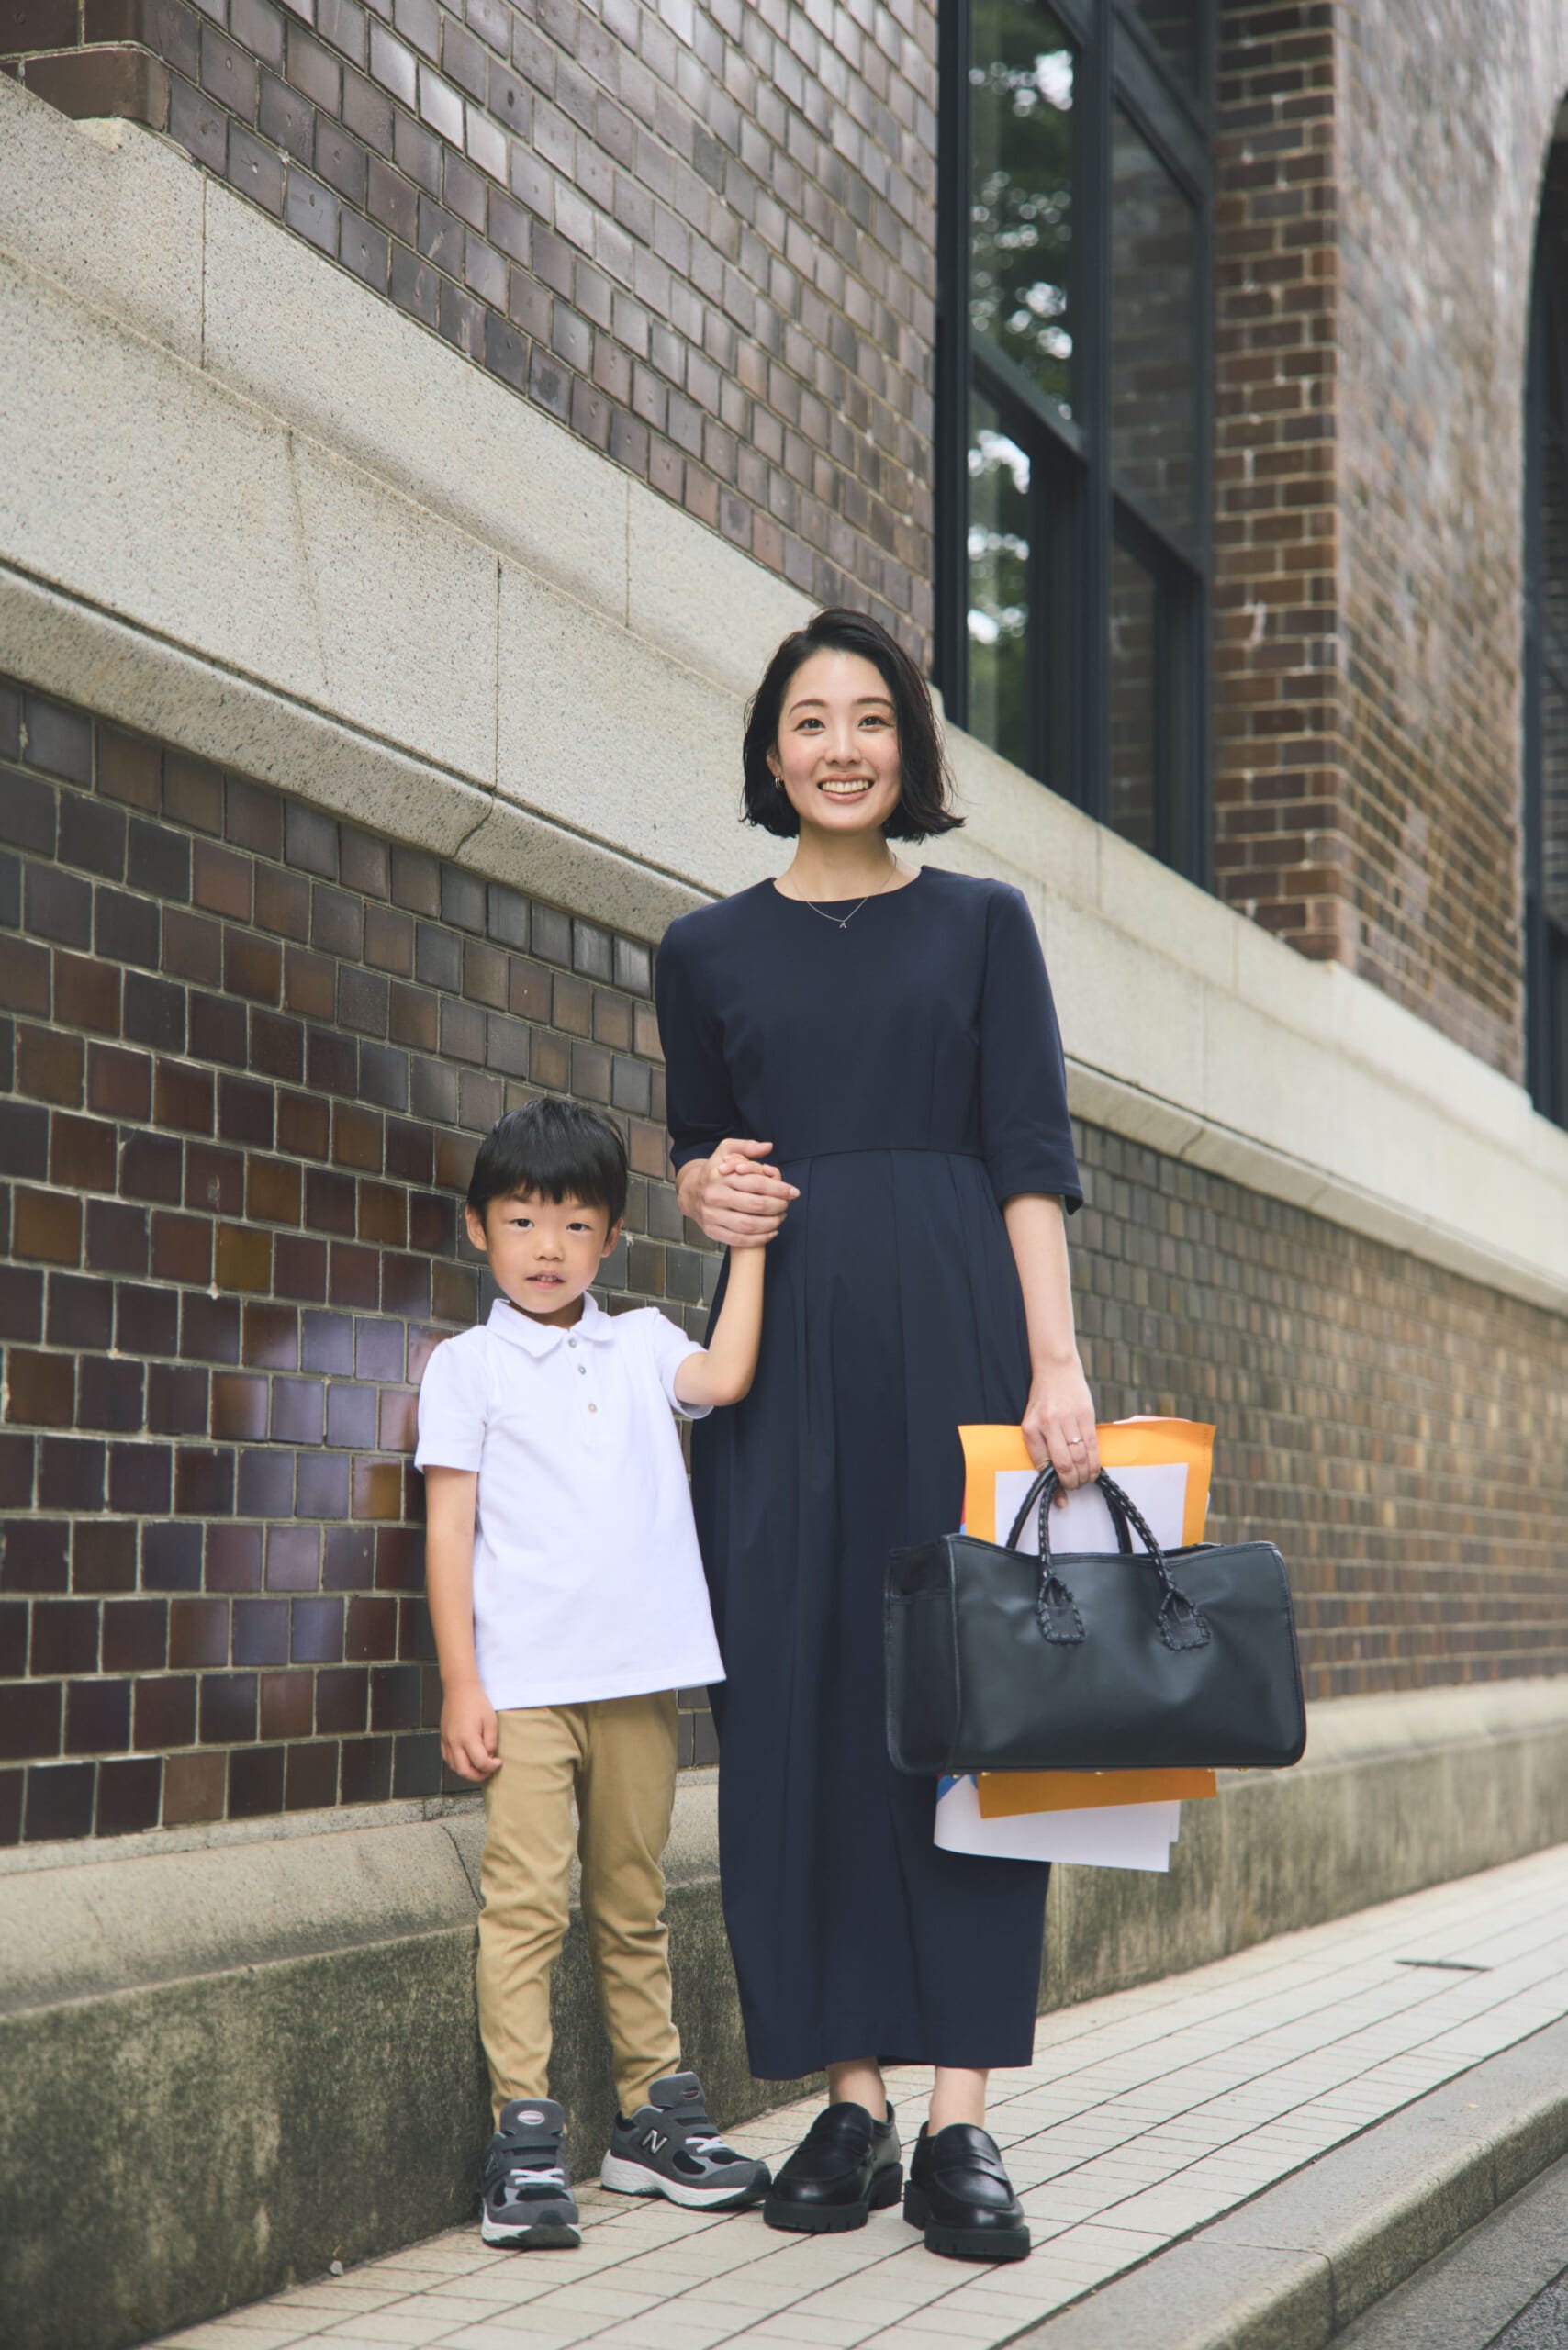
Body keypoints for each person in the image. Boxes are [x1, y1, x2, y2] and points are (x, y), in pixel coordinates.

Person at [655, 608, 1101, 2265]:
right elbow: (704, 1155)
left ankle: (960, 2117)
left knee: (971, 1706)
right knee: (803, 1698)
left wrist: (1056, 1363)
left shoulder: (982, 926)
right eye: (808, 721)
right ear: (770, 754)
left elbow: (1029, 1154)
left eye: (868, 718)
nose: (838, 746)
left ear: (906, 747)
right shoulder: (702, 951)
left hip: (961, 1339)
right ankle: (849, 2098)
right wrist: (699, 1192)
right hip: (783, 1363)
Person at [416, 1098, 774, 2249]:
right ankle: (522, 2135)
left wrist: (747, 1246)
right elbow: (448, 1530)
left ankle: (650, 2117)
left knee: (633, 1898)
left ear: (611, 1237)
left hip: (640, 1673)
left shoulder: (644, 1341)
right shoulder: (465, 1366)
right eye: (523, 1221)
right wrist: (461, 1682)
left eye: (576, 1224)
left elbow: (726, 1376)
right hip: (521, 1683)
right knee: (525, 1904)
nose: (548, 1247)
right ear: (479, 1228)